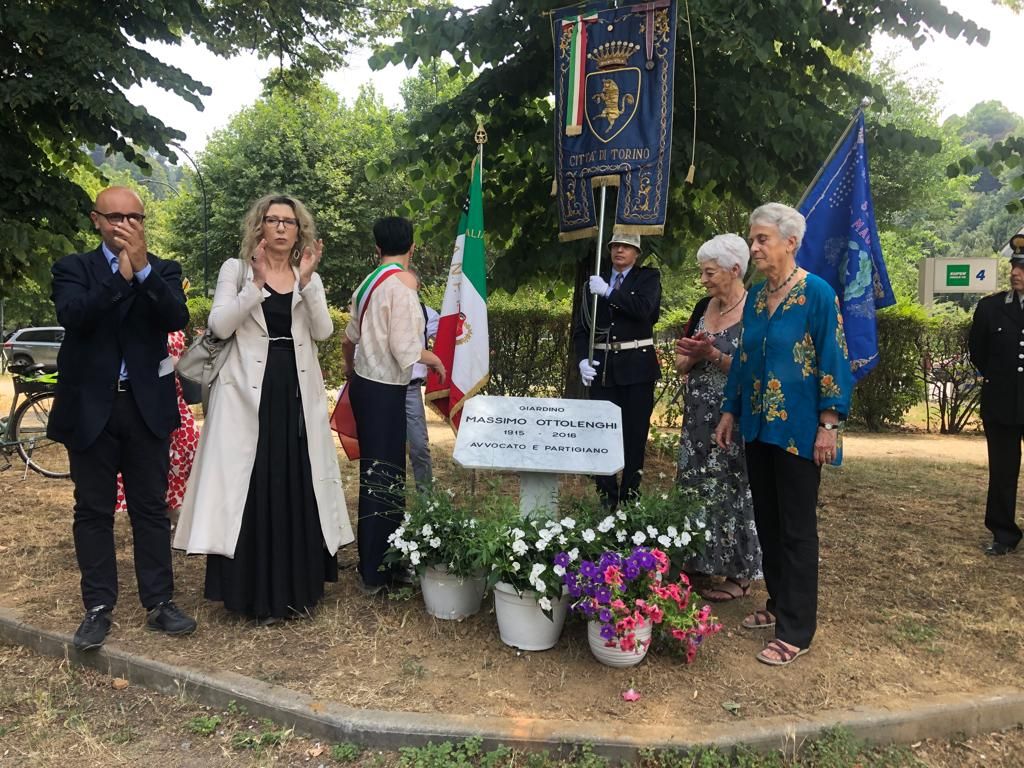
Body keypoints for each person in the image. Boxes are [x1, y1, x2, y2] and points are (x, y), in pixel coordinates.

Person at [174, 194, 354, 625]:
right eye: (273, 220)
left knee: (295, 482)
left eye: (289, 222)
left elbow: (324, 331)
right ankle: (251, 593)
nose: (281, 228)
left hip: (296, 394)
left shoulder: (306, 275)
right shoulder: (235, 270)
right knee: (251, 486)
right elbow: (219, 325)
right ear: (260, 226)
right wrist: (254, 285)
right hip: (245, 396)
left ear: (299, 230)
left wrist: (306, 283)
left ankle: (297, 589)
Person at [49, 185, 197, 651]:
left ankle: (160, 602)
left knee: (150, 508)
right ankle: (98, 606)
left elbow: (174, 317)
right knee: (92, 510)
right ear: (96, 220)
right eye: (115, 217)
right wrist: (120, 278)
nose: (125, 226)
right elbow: (75, 316)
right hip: (90, 408)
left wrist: (143, 271)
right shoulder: (74, 268)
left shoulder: (164, 270)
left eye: (134, 218)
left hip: (144, 406)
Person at [714, 202, 852, 667]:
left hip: (799, 430)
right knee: (768, 523)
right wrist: (730, 411)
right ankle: (777, 603)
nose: (754, 248)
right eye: (752, 239)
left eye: (762, 239)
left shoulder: (817, 294)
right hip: (758, 426)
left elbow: (834, 359)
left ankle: (796, 629)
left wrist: (828, 425)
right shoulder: (755, 298)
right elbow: (744, 361)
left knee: (796, 529)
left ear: (790, 242)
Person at [342, 217, 446, 593]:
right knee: (386, 478)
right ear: (412, 248)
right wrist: (435, 360)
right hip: (386, 390)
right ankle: (379, 570)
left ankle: (377, 563)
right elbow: (405, 350)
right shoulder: (402, 286)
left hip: (365, 386)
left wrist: (350, 370)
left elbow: (349, 338)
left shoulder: (367, 283)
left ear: (377, 248)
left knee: (375, 474)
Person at [675, 234, 761, 601]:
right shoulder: (701, 307)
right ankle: (696, 560)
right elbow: (680, 363)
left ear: (735, 269)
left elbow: (755, 370)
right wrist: (693, 354)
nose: (703, 280)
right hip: (697, 416)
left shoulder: (757, 309)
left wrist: (713, 355)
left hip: (735, 414)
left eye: (709, 273)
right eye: (702, 272)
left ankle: (739, 573)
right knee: (694, 484)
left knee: (733, 487)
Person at [573, 230, 661, 509]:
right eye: (615, 246)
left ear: (637, 253)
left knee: (634, 435)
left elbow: (644, 310)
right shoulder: (595, 282)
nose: (619, 251)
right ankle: (606, 499)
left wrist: (610, 293)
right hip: (603, 368)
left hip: (637, 367)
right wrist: (582, 360)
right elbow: (582, 327)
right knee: (601, 433)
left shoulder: (648, 278)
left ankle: (630, 499)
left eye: (626, 246)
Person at [967, 232, 1024, 556]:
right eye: (1014, 266)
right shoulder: (990, 308)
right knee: (1002, 471)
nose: (1016, 272)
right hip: (1001, 402)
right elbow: (979, 352)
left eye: (1023, 268)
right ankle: (1003, 533)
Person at [115, 327, 201, 532]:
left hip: (176, 402)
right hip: (154, 404)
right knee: (158, 462)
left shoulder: (175, 327)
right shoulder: (143, 328)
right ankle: (162, 511)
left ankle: (177, 510)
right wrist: (171, 364)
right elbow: (146, 366)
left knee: (185, 454)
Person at [406, 268, 440, 492]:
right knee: (384, 445)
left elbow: (447, 342)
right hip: (383, 387)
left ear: (418, 287)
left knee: (419, 446)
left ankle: (426, 500)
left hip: (410, 390)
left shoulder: (429, 315)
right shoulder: (381, 310)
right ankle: (386, 498)